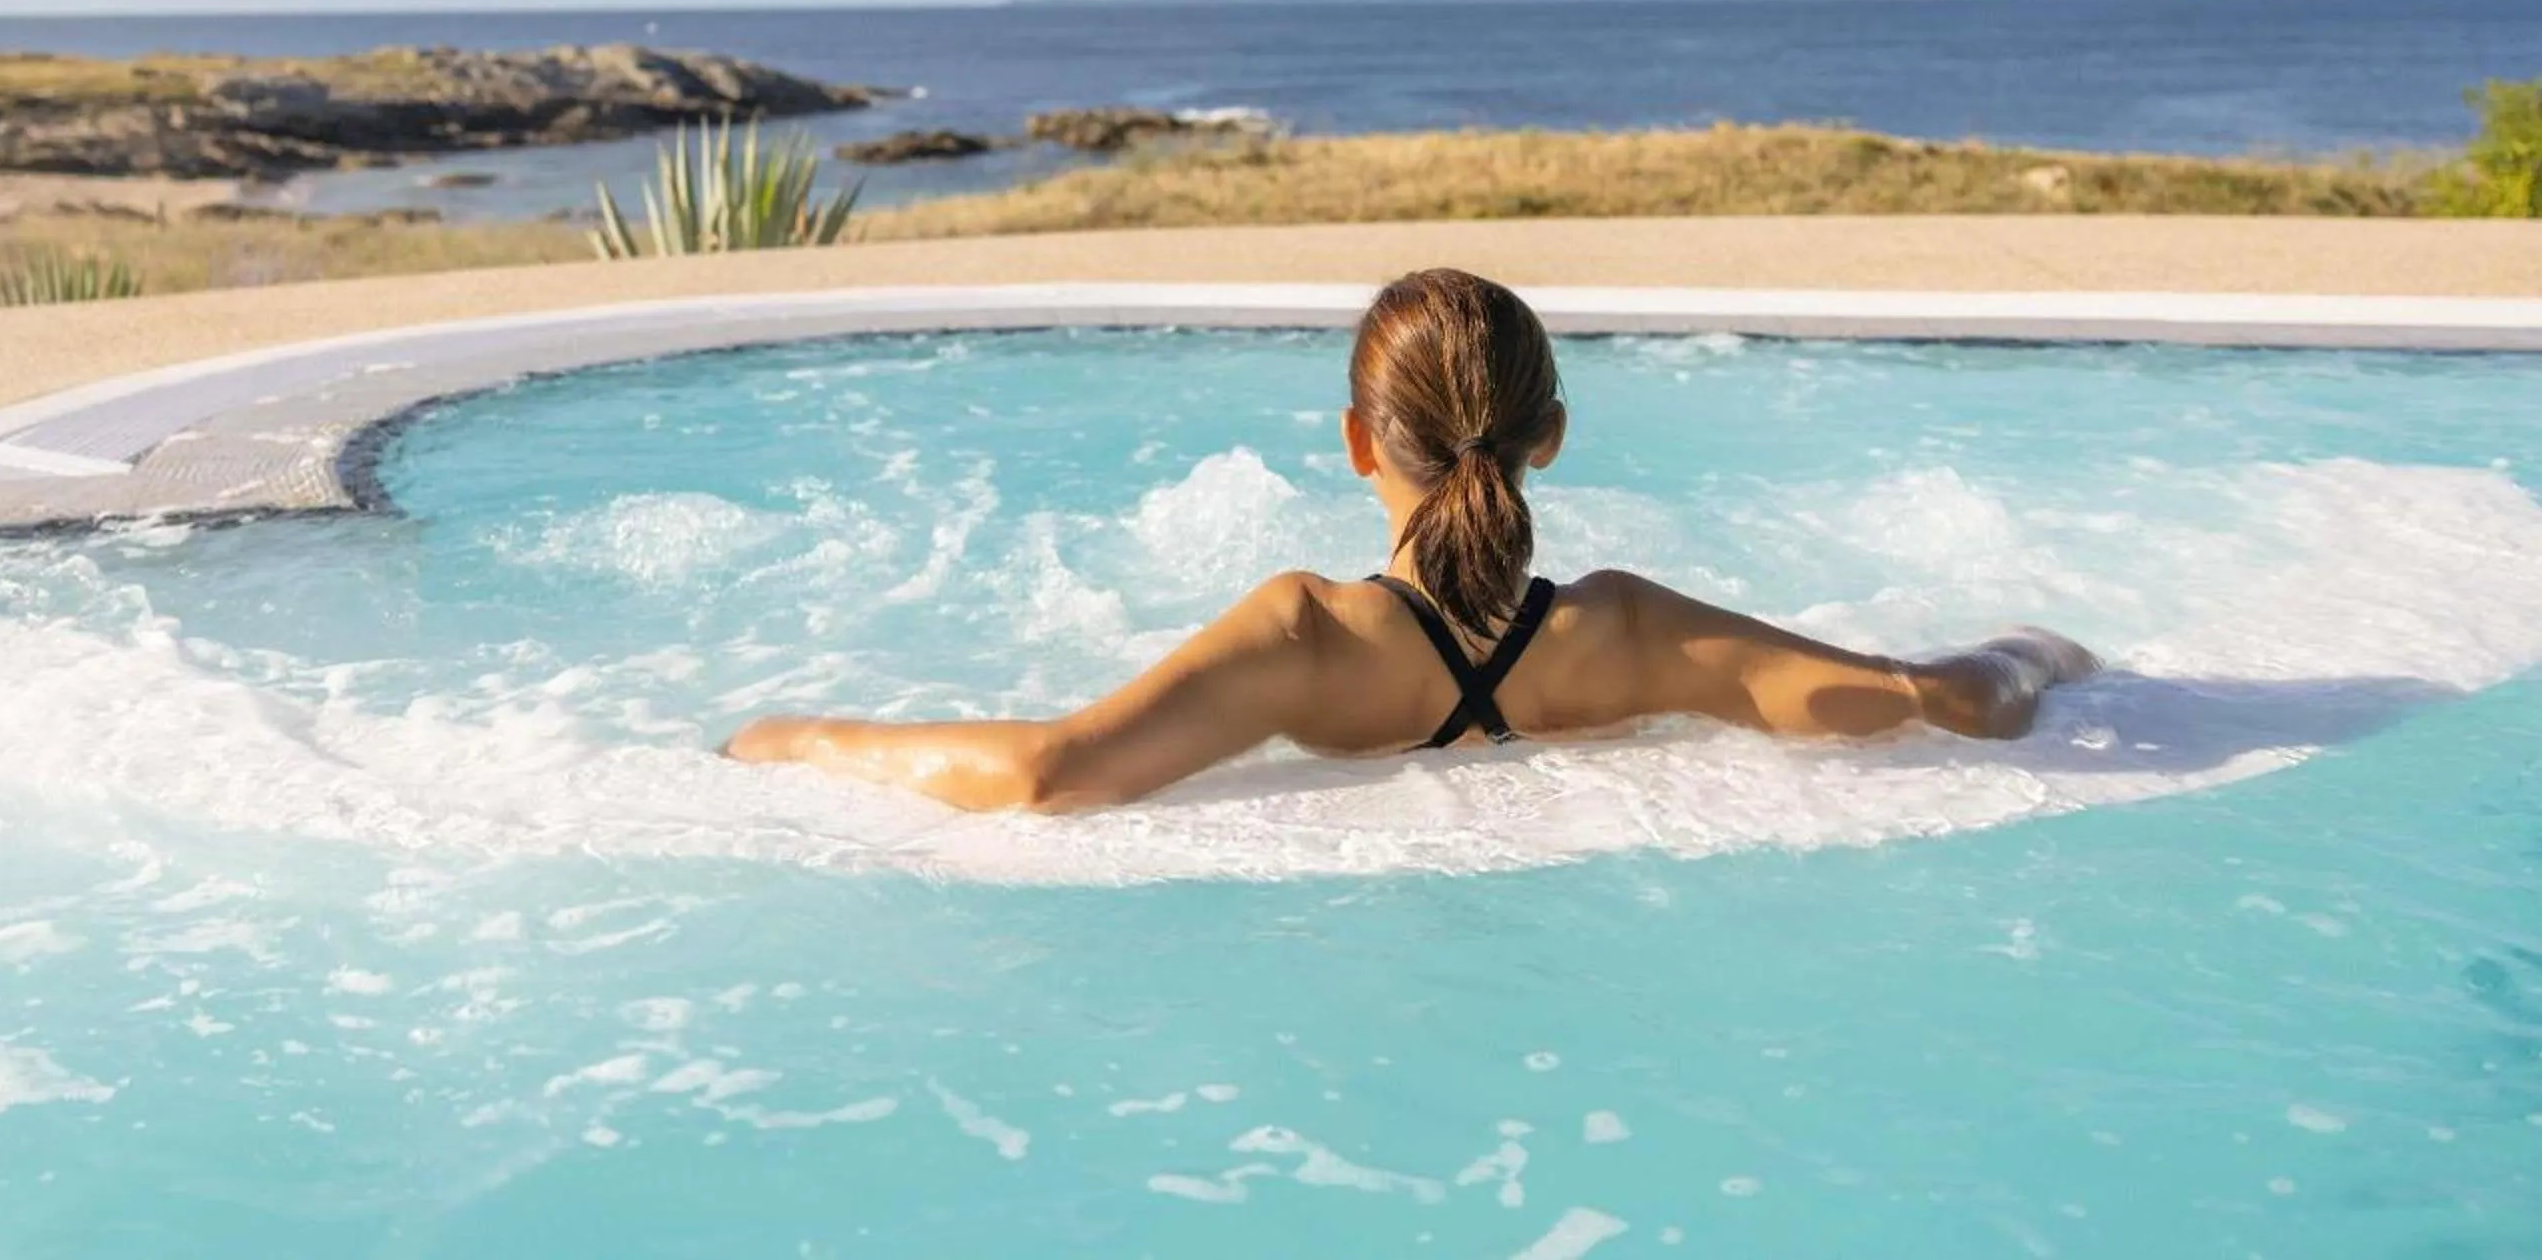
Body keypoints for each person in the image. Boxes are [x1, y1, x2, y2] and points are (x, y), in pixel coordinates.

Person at [723, 268, 2097, 814]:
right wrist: (2030, 647)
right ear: (1550, 433)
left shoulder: (1306, 641)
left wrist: (799, 737)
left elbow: (1046, 776)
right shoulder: (1624, 632)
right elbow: (1935, 701)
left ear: (1358, 440)